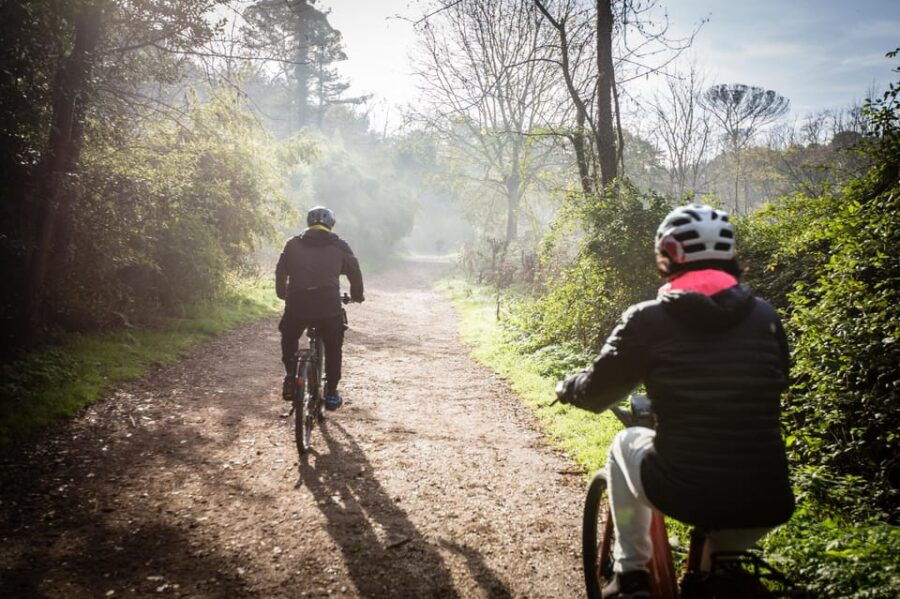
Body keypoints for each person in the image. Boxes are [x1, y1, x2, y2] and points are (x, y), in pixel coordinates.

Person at [556, 204, 795, 599]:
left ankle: (631, 575)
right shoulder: (766, 316)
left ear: (668, 254)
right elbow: (776, 380)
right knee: (717, 576)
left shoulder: (648, 319)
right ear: (730, 256)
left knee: (622, 444)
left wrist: (568, 387)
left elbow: (598, 393)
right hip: (768, 496)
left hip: (686, 487)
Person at [276, 206, 364, 410]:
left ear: (308, 222)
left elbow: (280, 271)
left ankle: (291, 374)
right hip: (328, 306)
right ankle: (331, 392)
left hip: (297, 304)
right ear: (331, 224)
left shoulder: (292, 244)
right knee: (333, 347)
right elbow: (355, 272)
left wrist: (283, 293)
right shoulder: (340, 245)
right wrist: (357, 296)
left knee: (289, 336)